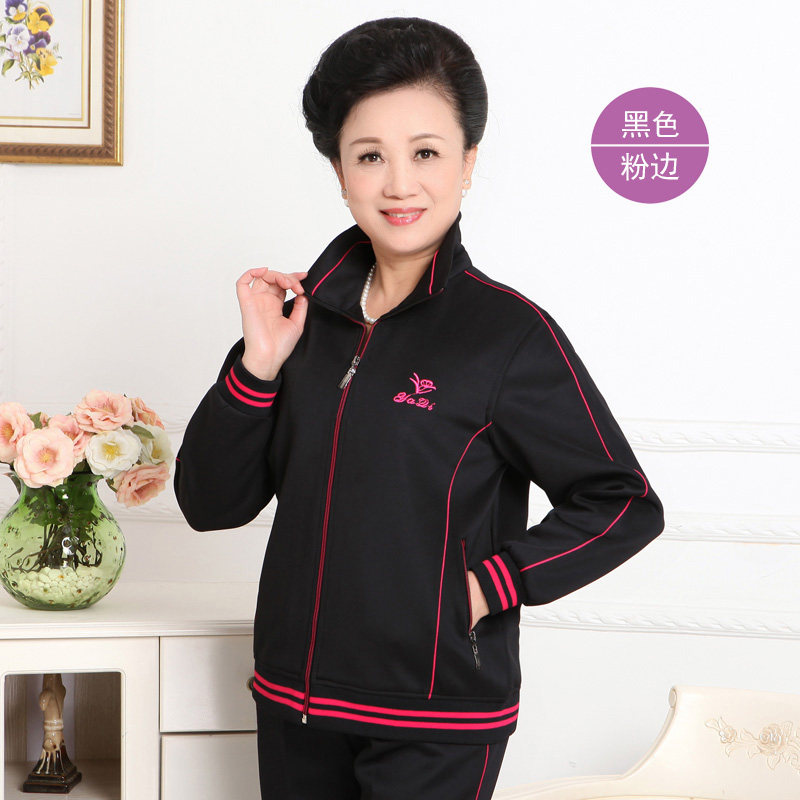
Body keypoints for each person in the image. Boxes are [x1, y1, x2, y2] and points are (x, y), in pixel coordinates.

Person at [174, 16, 665, 799]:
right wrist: (259, 364)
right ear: (339, 171)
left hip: (437, 720)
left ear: (468, 163)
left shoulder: (508, 336)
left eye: (427, 153)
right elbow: (210, 504)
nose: (400, 184)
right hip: (295, 704)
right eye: (370, 156)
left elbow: (623, 502)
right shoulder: (301, 322)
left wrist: (489, 586)